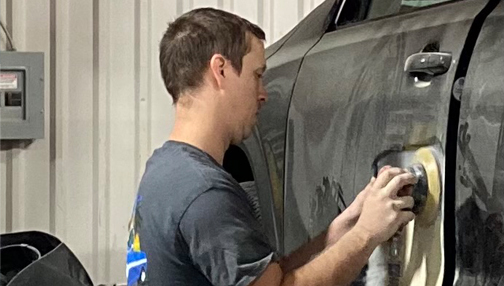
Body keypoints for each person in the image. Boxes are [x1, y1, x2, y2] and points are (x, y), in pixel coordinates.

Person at [126, 7, 417, 286]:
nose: (264, 93)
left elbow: (264, 278)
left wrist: (345, 226)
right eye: (257, 75)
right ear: (221, 70)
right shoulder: (205, 194)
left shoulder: (164, 172)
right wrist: (367, 234)